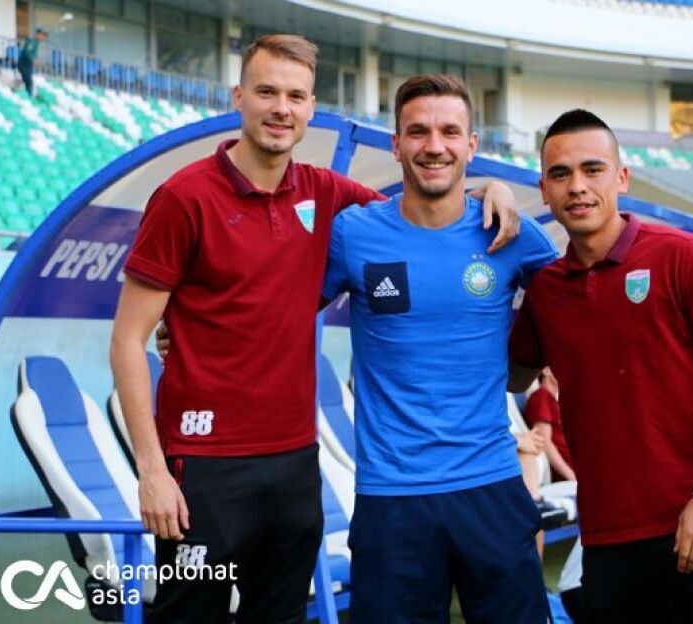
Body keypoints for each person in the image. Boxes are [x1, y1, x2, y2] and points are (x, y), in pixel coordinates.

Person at [110, 35, 519, 623]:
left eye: (296, 96)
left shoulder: (326, 194)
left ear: (310, 108)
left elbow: (421, 205)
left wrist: (489, 189)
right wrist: (151, 471)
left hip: (295, 464)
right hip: (202, 464)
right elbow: (128, 340)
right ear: (239, 97)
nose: (282, 108)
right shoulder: (183, 197)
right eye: (267, 92)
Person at [508, 109, 693, 623]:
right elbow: (513, 375)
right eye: (560, 174)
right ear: (544, 190)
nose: (577, 186)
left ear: (621, 178)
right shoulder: (546, 291)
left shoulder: (681, 255)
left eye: (592, 169)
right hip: (607, 539)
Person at [321, 75, 558, 623]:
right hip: (391, 498)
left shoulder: (513, 234)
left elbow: (585, 303)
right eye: (418, 132)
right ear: (396, 144)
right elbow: (279, 313)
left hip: (492, 487)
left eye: (450, 132)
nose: (434, 146)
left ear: (471, 145)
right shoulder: (354, 234)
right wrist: (190, 331)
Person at [523, 367, 575, 482]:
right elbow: (544, 442)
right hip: (566, 478)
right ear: (546, 370)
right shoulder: (541, 396)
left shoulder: (554, 401)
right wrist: (572, 477)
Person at [18, 28, 46, 97]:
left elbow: (32, 53)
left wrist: (35, 59)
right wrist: (33, 59)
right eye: (42, 35)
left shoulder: (36, 43)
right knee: (28, 81)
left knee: (29, 82)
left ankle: (28, 96)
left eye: (44, 36)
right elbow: (27, 52)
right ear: (37, 34)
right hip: (24, 63)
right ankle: (27, 96)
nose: (43, 37)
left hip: (28, 64)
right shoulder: (32, 42)